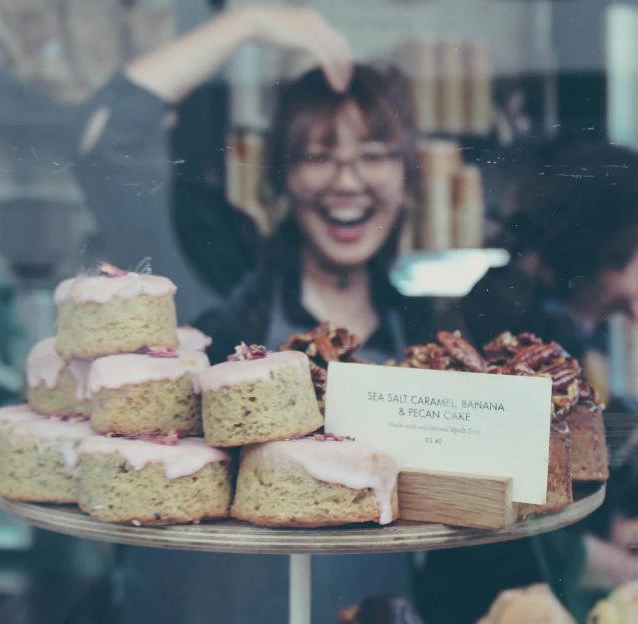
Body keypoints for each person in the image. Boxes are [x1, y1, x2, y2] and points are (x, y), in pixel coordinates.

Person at [71, 6, 430, 622]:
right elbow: (106, 144)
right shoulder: (223, 288)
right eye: (319, 156)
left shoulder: (428, 335)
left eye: (374, 154)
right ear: (282, 178)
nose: (348, 181)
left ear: (407, 176)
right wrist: (250, 21)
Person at [417, 142, 638, 623]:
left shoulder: (544, 316)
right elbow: (526, 535)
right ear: (609, 249)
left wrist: (613, 529)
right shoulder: (518, 328)